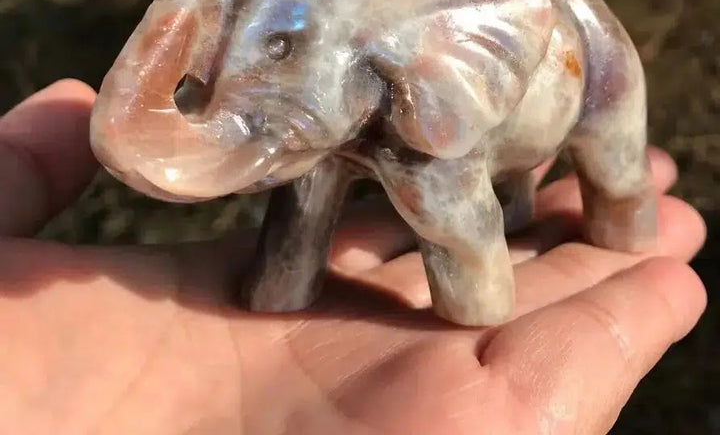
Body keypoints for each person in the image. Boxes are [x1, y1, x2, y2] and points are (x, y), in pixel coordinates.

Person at [0, 79, 706, 434]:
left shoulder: (423, 112)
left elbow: (458, 214)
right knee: (314, 169)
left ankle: (614, 218)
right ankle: (286, 282)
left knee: (598, 178)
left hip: (485, 92)